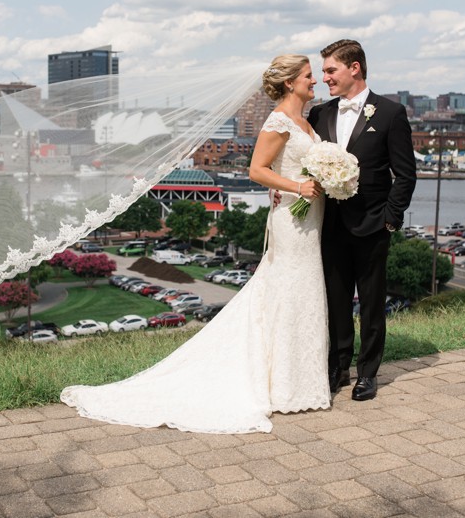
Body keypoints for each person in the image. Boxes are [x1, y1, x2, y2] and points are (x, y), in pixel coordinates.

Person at [61, 55, 330, 433]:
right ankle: (281, 386)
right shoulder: (279, 121)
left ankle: (298, 382)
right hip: (292, 220)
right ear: (289, 83)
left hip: (310, 217)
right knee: (289, 288)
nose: (313, 81)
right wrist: (297, 187)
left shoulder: (306, 119)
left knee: (301, 291)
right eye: (307, 76)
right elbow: (257, 170)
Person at [307, 39, 416, 402]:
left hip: (373, 225)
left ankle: (368, 373)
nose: (324, 78)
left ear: (355, 68)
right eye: (323, 72)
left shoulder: (390, 113)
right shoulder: (320, 114)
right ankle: (337, 368)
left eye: (330, 70)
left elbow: (406, 173)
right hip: (331, 226)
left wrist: (391, 218)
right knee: (336, 300)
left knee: (371, 303)